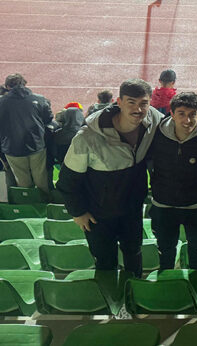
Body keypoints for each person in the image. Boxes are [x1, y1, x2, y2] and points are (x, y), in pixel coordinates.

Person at [57, 79, 163, 277]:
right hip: (98, 214)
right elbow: (67, 180)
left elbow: (175, 125)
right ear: (119, 102)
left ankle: (132, 293)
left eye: (143, 103)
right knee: (105, 263)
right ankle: (109, 295)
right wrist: (78, 212)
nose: (138, 109)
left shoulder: (153, 118)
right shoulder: (87, 137)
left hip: (132, 209)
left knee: (134, 253)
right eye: (131, 102)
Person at [147, 92, 197, 270]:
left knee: (196, 248)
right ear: (172, 113)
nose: (187, 120)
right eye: (181, 114)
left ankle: (195, 279)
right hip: (163, 204)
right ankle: (167, 281)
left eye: (193, 114)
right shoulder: (156, 134)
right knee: (165, 250)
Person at [0, 73, 53, 194]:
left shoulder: (1, 102)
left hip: (12, 147)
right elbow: (48, 119)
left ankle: (27, 200)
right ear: (24, 84)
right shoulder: (39, 99)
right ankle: (44, 199)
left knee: (22, 179)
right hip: (36, 144)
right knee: (40, 177)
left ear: (7, 87)